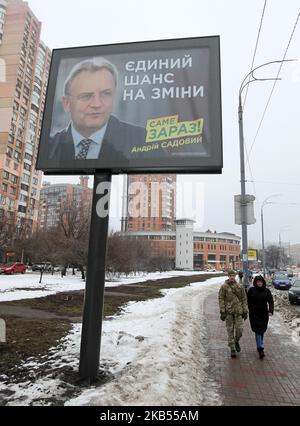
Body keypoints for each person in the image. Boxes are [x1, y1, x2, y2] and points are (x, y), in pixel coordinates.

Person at [48, 58, 148, 163]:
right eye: (86, 96)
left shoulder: (142, 140)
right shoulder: (50, 146)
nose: (97, 104)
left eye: (106, 94)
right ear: (66, 103)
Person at [218, 269, 248, 358]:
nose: (231, 277)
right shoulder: (224, 287)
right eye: (230, 275)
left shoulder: (239, 287)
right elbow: (221, 299)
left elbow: (244, 299)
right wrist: (222, 311)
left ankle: (236, 341)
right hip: (229, 313)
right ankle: (232, 349)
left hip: (238, 312)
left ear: (235, 276)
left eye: (233, 275)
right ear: (228, 276)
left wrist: (245, 311)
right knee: (230, 331)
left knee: (240, 331)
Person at [247, 275, 274, 359]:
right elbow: (248, 301)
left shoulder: (267, 291)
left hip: (264, 314)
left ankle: (260, 344)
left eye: (261, 281)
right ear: (255, 282)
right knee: (257, 331)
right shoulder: (251, 290)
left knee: (262, 330)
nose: (259, 283)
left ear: (263, 282)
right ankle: (260, 348)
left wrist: (270, 311)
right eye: (258, 281)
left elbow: (271, 301)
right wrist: (251, 308)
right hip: (254, 314)